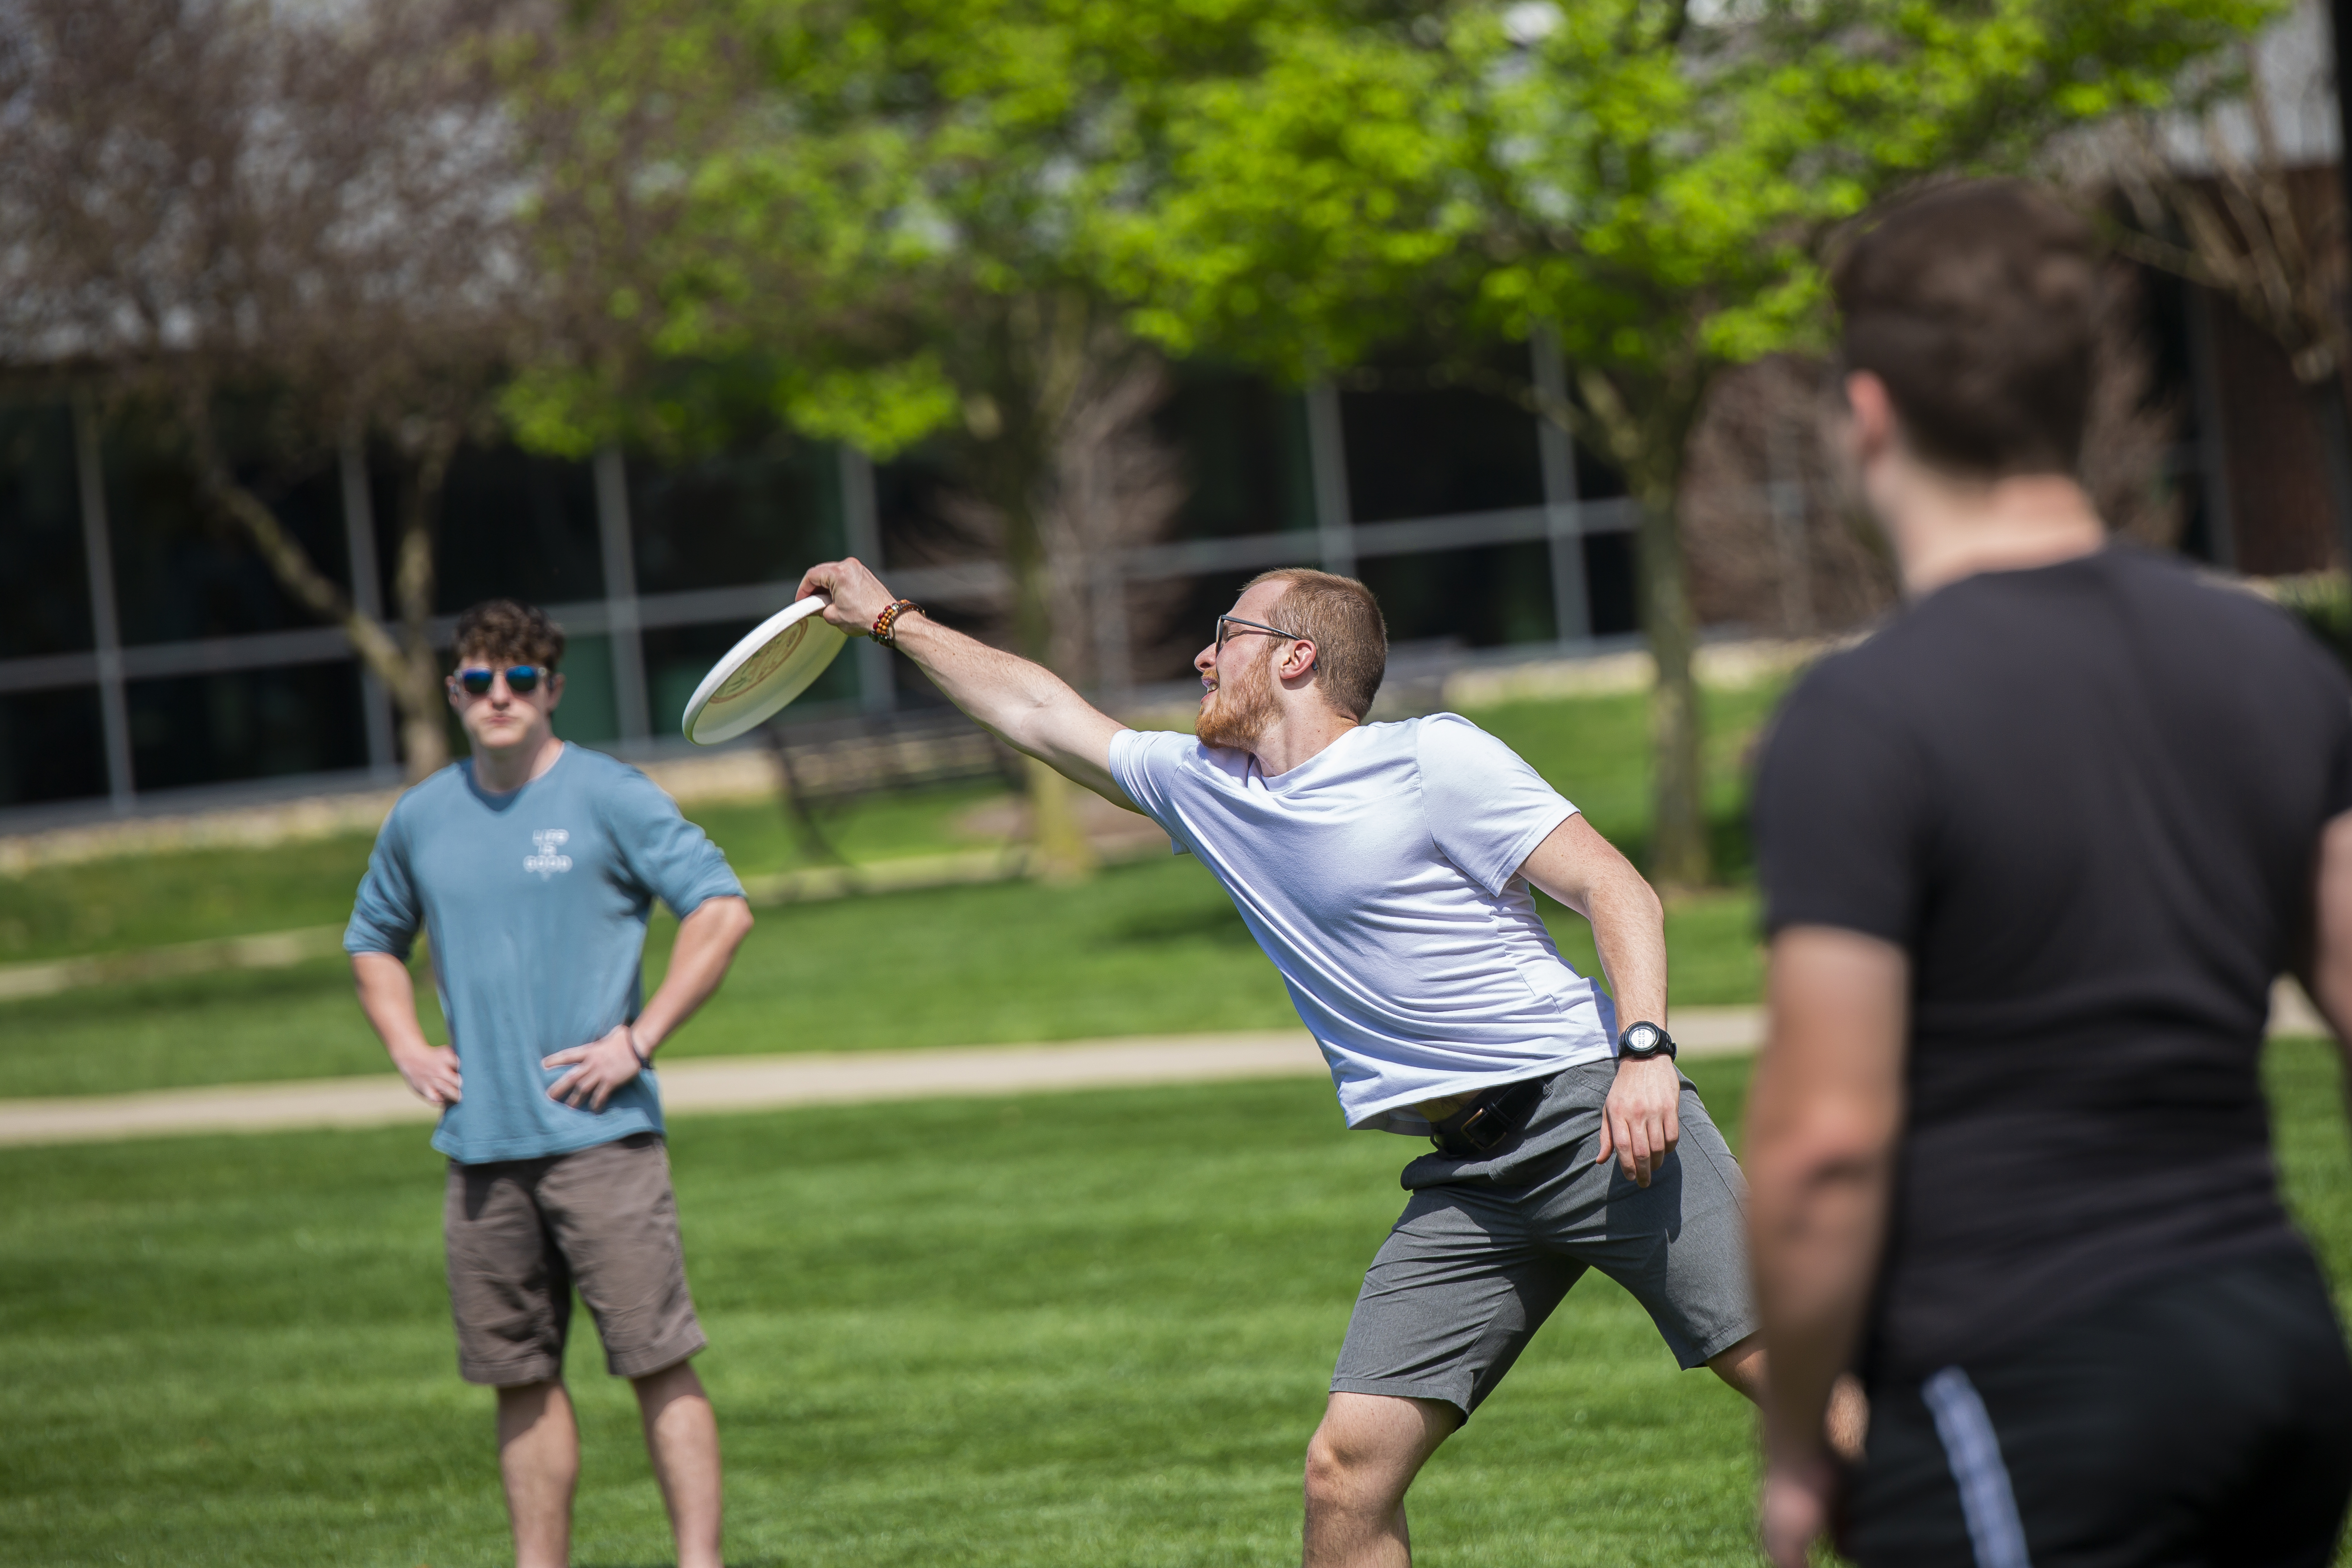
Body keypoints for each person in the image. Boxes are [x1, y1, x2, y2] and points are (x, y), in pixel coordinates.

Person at [796, 558, 1790, 1568]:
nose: (1202, 654)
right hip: (1470, 1179)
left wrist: (1646, 1050)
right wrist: (889, 619)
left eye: (1226, 633)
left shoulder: (1431, 760)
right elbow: (1040, 711)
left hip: (1594, 1118)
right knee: (1346, 1472)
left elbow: (1619, 891)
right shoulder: (1207, 790)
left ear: (1297, 658)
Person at [1745, 179, 2352, 1568]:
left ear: (1869, 411)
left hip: (2021, 1382)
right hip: (2274, 1343)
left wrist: (1792, 1444)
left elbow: (1822, 1149)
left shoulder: (1861, 720)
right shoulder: (2271, 662)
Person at [345, 599, 755, 1568]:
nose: (499, 698)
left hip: (602, 1141)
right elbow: (372, 942)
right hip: (481, 1153)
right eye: (480, 681)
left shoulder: (609, 796)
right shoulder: (423, 816)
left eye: (520, 680)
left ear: (552, 690)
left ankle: (700, 1563)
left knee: (657, 1362)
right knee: (517, 1378)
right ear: (453, 692)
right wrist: (407, 1044)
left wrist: (638, 1040)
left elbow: (722, 912)